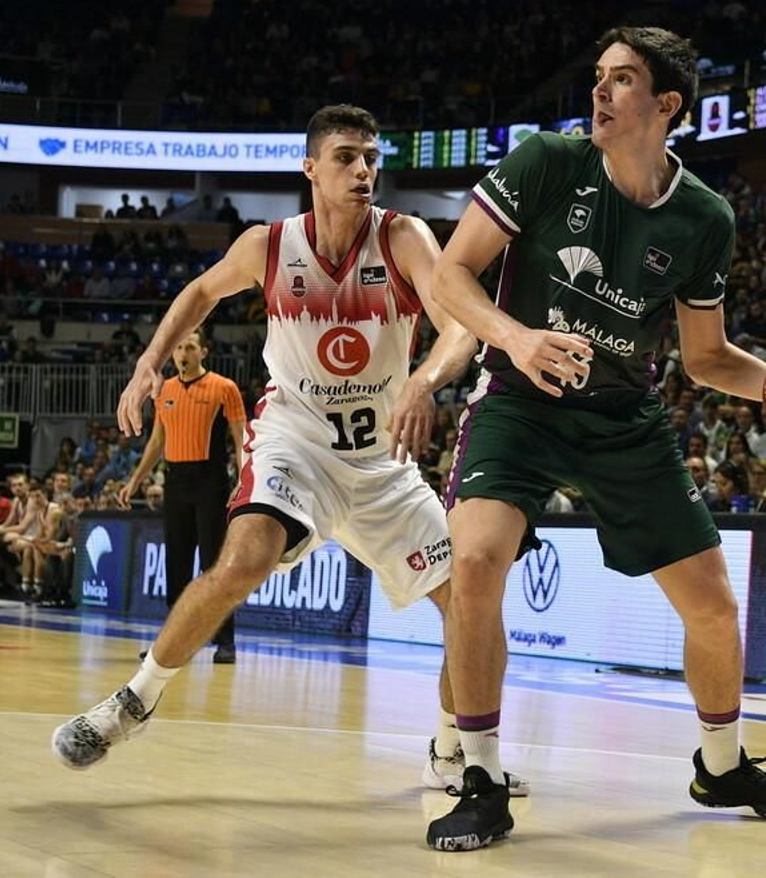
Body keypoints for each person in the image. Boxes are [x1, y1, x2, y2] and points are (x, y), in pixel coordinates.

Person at [423, 27, 766, 851]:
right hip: (521, 402)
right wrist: (517, 338)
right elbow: (449, 272)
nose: (599, 92)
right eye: (598, 77)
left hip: (624, 420)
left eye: (621, 80)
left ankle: (721, 765)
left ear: (667, 104)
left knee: (714, 607)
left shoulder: (704, 217)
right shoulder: (545, 161)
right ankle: (480, 774)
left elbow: (707, 358)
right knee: (473, 561)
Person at [51, 105, 531, 799]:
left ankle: (451, 752)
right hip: (296, 443)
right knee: (244, 557)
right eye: (345, 157)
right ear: (311, 167)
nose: (363, 170)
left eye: (370, 157)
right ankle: (134, 700)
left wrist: (424, 380)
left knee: (472, 606)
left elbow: (458, 321)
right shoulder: (269, 246)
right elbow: (200, 290)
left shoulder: (403, 238)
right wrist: (149, 361)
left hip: (382, 465)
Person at [119, 328, 247, 663]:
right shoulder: (164, 391)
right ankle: (172, 644)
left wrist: (245, 477)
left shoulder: (224, 388)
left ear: (203, 352)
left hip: (211, 481)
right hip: (176, 483)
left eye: (189, 346)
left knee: (214, 566)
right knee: (175, 566)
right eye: (177, 347)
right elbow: (157, 441)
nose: (181, 352)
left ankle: (225, 641)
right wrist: (135, 480)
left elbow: (240, 436)